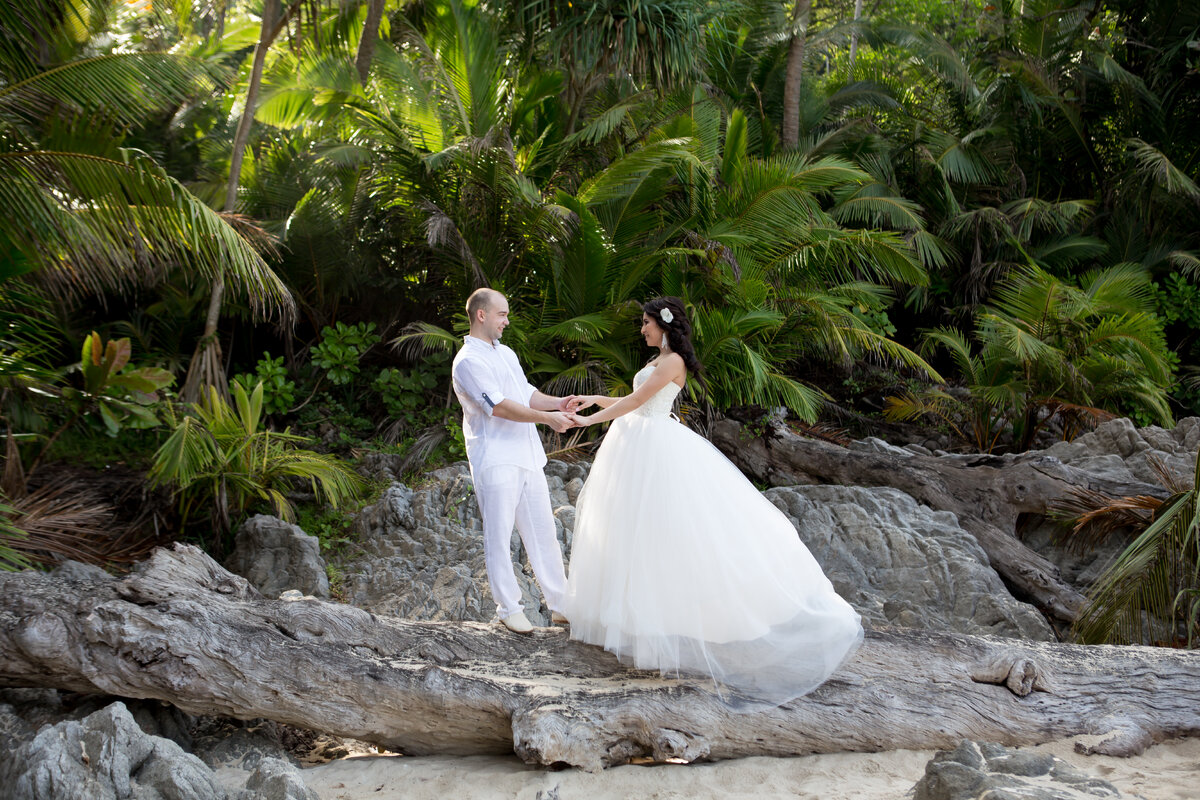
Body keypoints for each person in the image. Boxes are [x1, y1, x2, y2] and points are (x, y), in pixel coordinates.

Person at [563, 297, 863, 703]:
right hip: (635, 443)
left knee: (667, 533)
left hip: (652, 447)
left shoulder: (672, 363)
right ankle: (635, 623)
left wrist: (586, 422)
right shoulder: (661, 360)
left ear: (664, 325)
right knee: (632, 533)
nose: (642, 329)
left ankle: (662, 626)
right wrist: (595, 400)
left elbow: (637, 403)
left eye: (646, 323)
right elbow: (635, 399)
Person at [451, 288, 581, 634]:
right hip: (495, 458)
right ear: (482, 315)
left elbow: (526, 394)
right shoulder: (467, 361)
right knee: (499, 535)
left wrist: (558, 404)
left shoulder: (505, 353)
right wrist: (547, 421)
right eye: (502, 315)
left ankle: (561, 605)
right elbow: (499, 406)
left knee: (544, 533)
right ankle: (509, 608)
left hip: (526, 456)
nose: (507, 321)